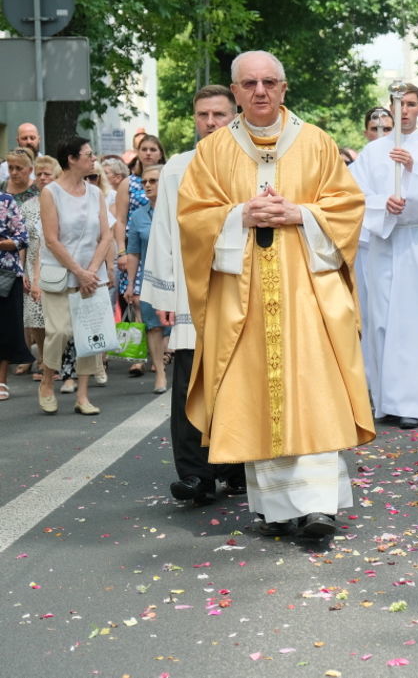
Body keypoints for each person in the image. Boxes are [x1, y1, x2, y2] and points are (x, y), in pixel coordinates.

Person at [179, 50, 374, 538]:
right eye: (249, 84)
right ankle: (275, 507)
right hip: (243, 299)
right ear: (236, 91)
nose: (260, 91)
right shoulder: (214, 152)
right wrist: (237, 217)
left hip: (307, 294)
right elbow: (193, 217)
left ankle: (319, 506)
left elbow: (348, 207)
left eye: (269, 82)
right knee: (257, 395)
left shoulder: (316, 144)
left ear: (284, 88)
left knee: (313, 389)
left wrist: (302, 215)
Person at [141, 84, 244, 506]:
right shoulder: (177, 168)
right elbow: (164, 232)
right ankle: (196, 474)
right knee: (189, 380)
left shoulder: (251, 161)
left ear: (234, 115)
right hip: (189, 289)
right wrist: (163, 297)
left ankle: (237, 465)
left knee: (239, 379)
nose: (210, 122)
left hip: (240, 284)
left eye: (219, 114)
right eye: (203, 115)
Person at [350, 82, 418, 429]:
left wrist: (413, 170)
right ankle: (387, 400)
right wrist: (384, 204)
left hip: (417, 242)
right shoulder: (372, 153)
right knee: (381, 320)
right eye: (400, 105)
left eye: (411, 104)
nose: (405, 110)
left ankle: (417, 401)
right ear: (390, 110)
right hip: (384, 241)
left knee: (414, 322)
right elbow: (355, 196)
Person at [36, 136, 112, 416]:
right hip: (61, 274)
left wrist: (91, 272)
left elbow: (105, 236)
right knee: (59, 332)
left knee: (89, 336)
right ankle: (47, 380)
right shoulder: (51, 193)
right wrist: (78, 271)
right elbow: (52, 240)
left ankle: (82, 396)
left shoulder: (96, 193)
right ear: (71, 158)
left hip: (91, 276)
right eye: (89, 154)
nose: (94, 159)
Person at [124, 165, 169, 393]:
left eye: (154, 181)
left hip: (176, 275)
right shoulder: (138, 215)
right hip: (149, 277)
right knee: (153, 326)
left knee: (179, 325)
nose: (148, 185)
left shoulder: (178, 209)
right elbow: (133, 252)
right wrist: (131, 284)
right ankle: (160, 373)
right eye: (145, 182)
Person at [114, 133, 166, 308]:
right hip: (135, 246)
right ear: (138, 152)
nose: (148, 153)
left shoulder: (168, 179)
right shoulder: (129, 182)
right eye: (144, 149)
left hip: (162, 243)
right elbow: (120, 220)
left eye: (153, 149)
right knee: (136, 301)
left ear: (160, 153)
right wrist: (122, 251)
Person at [20, 156, 58, 380]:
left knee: (54, 317)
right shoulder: (27, 206)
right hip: (31, 263)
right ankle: (43, 359)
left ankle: (57, 362)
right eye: (39, 174)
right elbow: (23, 241)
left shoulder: (60, 201)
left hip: (54, 263)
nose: (42, 178)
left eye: (47, 174)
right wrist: (22, 269)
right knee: (35, 317)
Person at [0, 188, 33, 401]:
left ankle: (1, 381)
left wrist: (2, 243)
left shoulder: (6, 200)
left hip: (5, 274)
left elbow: (22, 237)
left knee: (4, 329)